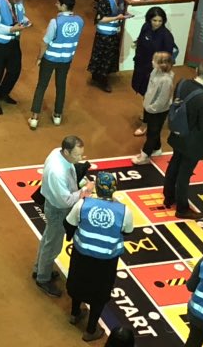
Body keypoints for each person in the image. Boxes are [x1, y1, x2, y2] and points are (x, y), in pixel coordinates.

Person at [66, 171, 134, 342]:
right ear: (114, 189)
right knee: (100, 293)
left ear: (96, 188)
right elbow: (128, 231)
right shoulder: (124, 211)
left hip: (82, 254)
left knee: (78, 283)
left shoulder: (83, 204)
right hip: (106, 261)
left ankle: (74, 314)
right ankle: (90, 330)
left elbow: (69, 223)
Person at [162, 61, 203, 220]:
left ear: (196, 70)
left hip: (178, 133)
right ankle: (182, 208)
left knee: (174, 163)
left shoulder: (182, 83)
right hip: (192, 141)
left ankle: (168, 196)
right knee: (185, 173)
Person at [34, 135, 93, 297]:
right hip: (58, 210)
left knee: (48, 238)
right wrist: (84, 191)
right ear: (66, 152)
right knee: (53, 244)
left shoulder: (57, 153)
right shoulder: (57, 172)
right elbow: (65, 201)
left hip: (53, 204)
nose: (80, 158)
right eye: (77, 155)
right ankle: (43, 278)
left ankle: (39, 268)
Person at [28, 0, 84, 129]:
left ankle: (35, 117)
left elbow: (45, 42)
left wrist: (39, 58)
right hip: (66, 59)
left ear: (64, 6)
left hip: (50, 58)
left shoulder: (55, 22)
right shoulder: (80, 21)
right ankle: (57, 116)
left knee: (42, 85)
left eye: (58, 3)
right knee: (61, 85)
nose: (56, 4)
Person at [0, 0, 30, 115]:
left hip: (14, 41)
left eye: (20, 0)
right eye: (17, 0)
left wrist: (25, 22)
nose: (19, 2)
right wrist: (11, 30)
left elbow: (21, 15)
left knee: (15, 70)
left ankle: (3, 93)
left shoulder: (18, 2)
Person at [86, 0, 132, 92]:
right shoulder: (106, 1)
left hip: (113, 34)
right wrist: (117, 17)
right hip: (104, 35)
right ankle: (101, 80)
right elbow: (100, 19)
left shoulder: (120, 0)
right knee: (102, 57)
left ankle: (99, 76)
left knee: (108, 57)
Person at [131, 51, 175, 163]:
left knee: (152, 133)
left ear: (162, 64)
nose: (152, 62)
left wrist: (151, 108)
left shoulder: (166, 81)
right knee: (153, 130)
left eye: (154, 60)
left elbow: (162, 100)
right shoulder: (154, 71)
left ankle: (145, 155)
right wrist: (147, 103)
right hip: (149, 107)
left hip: (158, 111)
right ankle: (156, 148)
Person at [130, 6, 178, 96]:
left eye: (160, 21)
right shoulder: (145, 27)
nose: (157, 23)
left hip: (154, 70)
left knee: (151, 93)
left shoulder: (167, 36)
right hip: (140, 65)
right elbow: (140, 42)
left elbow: (167, 58)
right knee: (140, 89)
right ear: (149, 19)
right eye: (154, 20)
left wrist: (157, 68)